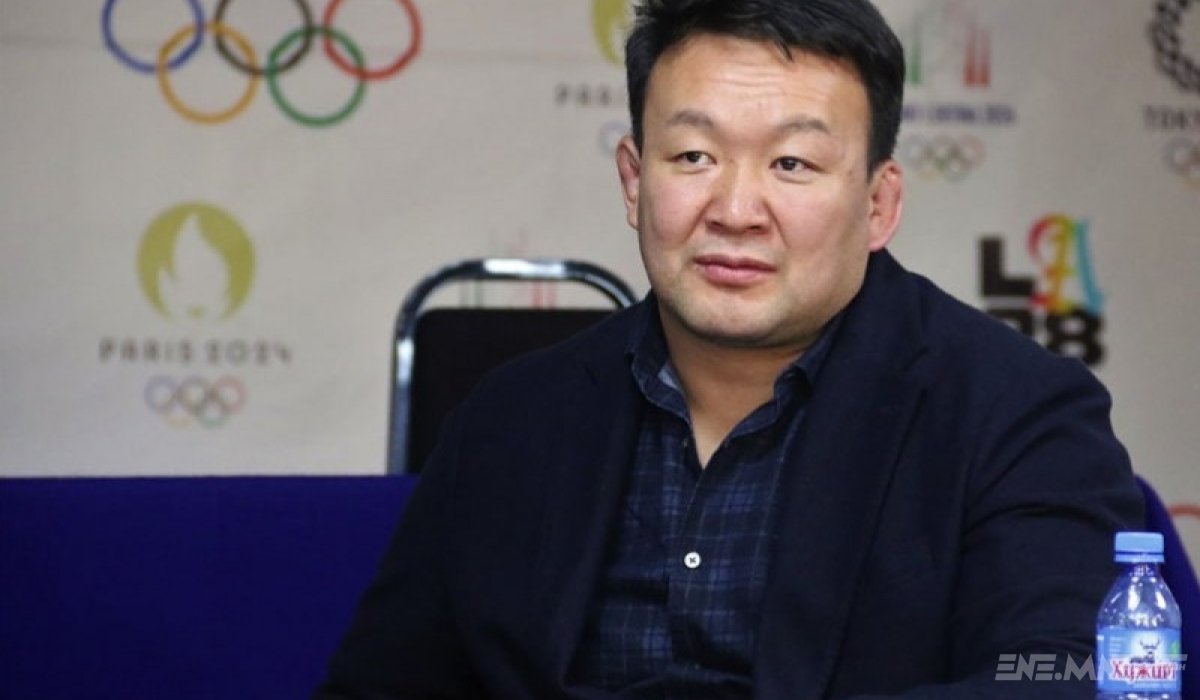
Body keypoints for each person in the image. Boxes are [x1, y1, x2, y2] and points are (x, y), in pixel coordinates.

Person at [314, 0, 1144, 697]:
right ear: (634, 181)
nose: (737, 210)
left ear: (879, 204)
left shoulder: (1015, 414)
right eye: (694, 156)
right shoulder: (512, 418)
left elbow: (1069, 679)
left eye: (793, 163)